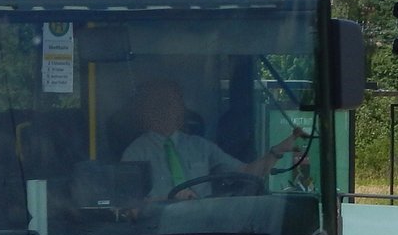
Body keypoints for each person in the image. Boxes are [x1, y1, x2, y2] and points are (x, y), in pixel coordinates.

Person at [121, 79, 304, 200]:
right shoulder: (135, 152)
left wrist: (277, 151)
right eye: (160, 104)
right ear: (146, 111)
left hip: (206, 231)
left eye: (173, 103)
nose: (167, 110)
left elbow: (247, 173)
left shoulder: (200, 146)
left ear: (182, 109)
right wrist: (170, 199)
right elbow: (130, 204)